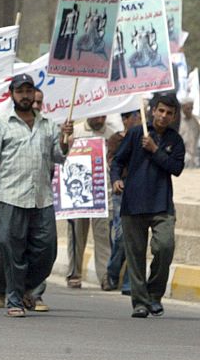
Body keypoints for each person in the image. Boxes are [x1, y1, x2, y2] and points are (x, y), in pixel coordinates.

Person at [0, 73, 73, 317]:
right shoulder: (2, 124)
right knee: (9, 246)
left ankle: (27, 287)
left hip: (41, 197)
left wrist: (65, 140)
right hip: (11, 196)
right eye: (20, 91)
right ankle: (14, 299)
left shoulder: (48, 125)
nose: (25, 96)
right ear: (12, 94)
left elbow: (58, 156)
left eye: (29, 91)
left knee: (47, 249)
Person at [111, 93, 184, 318]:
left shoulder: (175, 140)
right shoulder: (136, 133)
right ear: (153, 111)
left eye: (169, 113)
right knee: (135, 255)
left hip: (161, 205)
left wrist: (155, 150)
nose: (163, 116)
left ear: (173, 116)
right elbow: (117, 161)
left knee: (165, 247)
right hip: (133, 203)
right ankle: (140, 302)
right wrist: (116, 179)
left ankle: (154, 295)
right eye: (160, 110)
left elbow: (176, 168)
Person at [65, 116, 115, 288]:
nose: (99, 118)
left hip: (103, 194)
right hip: (79, 194)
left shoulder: (112, 135)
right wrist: (66, 140)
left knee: (104, 237)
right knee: (76, 235)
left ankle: (105, 277)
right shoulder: (75, 132)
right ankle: (74, 273)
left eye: (103, 115)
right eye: (96, 115)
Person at [105, 110, 141, 294]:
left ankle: (128, 281)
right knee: (121, 235)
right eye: (135, 116)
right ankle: (112, 272)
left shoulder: (145, 138)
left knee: (136, 236)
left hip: (140, 190)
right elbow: (114, 162)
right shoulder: (116, 139)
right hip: (121, 189)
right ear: (125, 120)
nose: (139, 120)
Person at [178, 98, 199, 168]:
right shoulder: (177, 120)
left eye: (191, 108)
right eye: (188, 108)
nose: (190, 110)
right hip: (181, 155)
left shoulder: (196, 120)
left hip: (193, 155)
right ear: (182, 107)